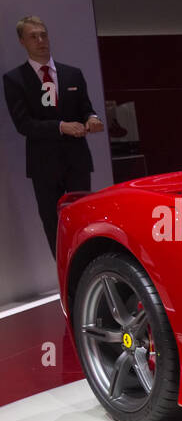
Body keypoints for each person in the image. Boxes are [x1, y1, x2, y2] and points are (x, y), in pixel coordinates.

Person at [3, 16, 103, 257]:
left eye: (43, 35)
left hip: (76, 161)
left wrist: (92, 118)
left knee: (85, 221)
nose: (40, 40)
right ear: (22, 42)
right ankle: (65, 285)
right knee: (55, 226)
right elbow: (24, 124)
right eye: (33, 36)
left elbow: (86, 108)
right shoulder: (15, 79)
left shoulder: (72, 74)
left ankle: (89, 276)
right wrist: (61, 126)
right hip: (44, 166)